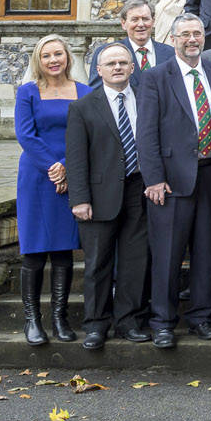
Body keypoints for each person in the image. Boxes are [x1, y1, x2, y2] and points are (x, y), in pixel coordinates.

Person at [137, 14, 211, 348]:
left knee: (206, 252)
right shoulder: (155, 78)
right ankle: (162, 321)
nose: (192, 39)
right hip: (171, 181)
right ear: (173, 38)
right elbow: (145, 134)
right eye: (185, 34)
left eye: (198, 34)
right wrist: (154, 179)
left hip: (210, 176)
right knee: (167, 255)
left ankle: (201, 317)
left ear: (205, 38)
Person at [66, 43, 151, 348]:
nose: (118, 67)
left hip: (139, 190)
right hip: (98, 195)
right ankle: (96, 325)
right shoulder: (82, 107)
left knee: (134, 261)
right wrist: (79, 199)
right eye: (111, 63)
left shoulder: (147, 100)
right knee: (98, 264)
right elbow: (75, 158)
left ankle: (129, 322)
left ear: (132, 68)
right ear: (99, 70)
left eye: (123, 62)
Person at [15, 34, 86, 345]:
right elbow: (25, 134)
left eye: (58, 53)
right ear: (38, 60)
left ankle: (60, 317)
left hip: (72, 173)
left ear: (67, 57)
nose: (53, 60)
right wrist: (54, 166)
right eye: (47, 55)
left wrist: (68, 166)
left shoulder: (84, 92)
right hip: (36, 175)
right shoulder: (27, 92)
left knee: (62, 250)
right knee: (34, 251)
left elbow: (87, 132)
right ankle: (33, 319)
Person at [88, 0, 174, 88]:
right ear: (124, 24)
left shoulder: (170, 53)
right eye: (134, 19)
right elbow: (96, 93)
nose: (141, 24)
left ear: (153, 22)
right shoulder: (105, 53)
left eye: (145, 19)